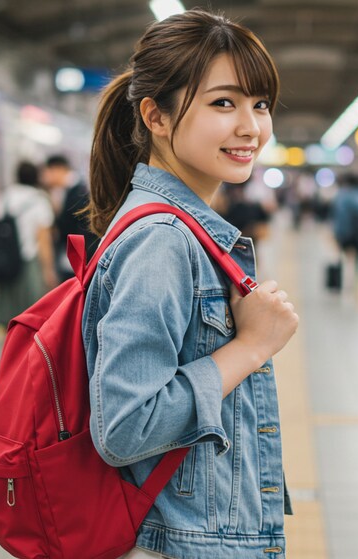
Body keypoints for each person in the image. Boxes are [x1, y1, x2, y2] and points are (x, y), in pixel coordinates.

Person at [81, 10, 298, 558]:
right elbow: (125, 427)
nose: (250, 126)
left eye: (260, 104)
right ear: (155, 115)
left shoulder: (180, 230)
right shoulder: (162, 239)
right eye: (224, 103)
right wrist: (251, 347)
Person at [0, 161, 56, 325]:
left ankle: (8, 347)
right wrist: (48, 270)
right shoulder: (40, 200)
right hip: (29, 263)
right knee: (31, 315)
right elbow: (43, 239)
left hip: (5, 264)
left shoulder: (2, 197)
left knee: (7, 315)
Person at [43, 154, 94, 280]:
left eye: (47, 172)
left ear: (57, 169)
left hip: (76, 257)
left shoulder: (77, 192)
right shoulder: (70, 190)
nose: (45, 177)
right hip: (73, 256)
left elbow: (75, 226)